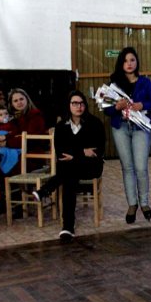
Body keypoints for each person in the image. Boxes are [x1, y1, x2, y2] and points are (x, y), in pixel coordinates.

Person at [32, 91, 105, 241]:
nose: (79, 106)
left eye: (81, 103)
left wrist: (75, 153)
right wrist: (82, 152)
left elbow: (98, 150)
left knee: (69, 169)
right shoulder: (61, 126)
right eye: (75, 103)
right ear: (68, 105)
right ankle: (67, 227)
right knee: (70, 176)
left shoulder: (95, 123)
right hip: (70, 168)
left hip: (91, 167)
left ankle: (46, 190)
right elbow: (61, 152)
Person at [104, 47, 151, 224]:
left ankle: (144, 203)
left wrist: (143, 105)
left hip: (140, 128)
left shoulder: (145, 82)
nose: (129, 64)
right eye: (125, 61)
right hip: (120, 128)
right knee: (127, 167)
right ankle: (132, 204)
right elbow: (106, 110)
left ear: (137, 62)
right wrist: (116, 107)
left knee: (141, 167)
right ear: (120, 64)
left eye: (132, 60)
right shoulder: (114, 84)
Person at [0, 104, 21, 175]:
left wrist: (6, 136)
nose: (4, 116)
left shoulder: (11, 124)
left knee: (12, 152)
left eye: (6, 113)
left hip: (7, 145)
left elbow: (15, 132)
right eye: (0, 115)